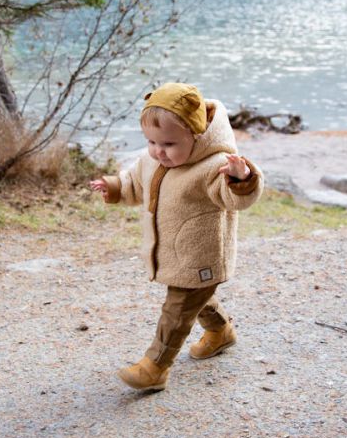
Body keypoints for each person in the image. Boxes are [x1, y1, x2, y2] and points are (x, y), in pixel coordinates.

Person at [90, 82, 263, 391]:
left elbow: (235, 199)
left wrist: (242, 179)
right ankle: (221, 333)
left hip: (201, 256)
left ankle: (155, 367)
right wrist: (115, 186)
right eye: (151, 141)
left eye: (168, 144)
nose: (159, 150)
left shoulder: (214, 166)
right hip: (175, 254)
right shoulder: (154, 160)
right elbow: (135, 183)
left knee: (177, 311)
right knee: (196, 299)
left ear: (196, 138)